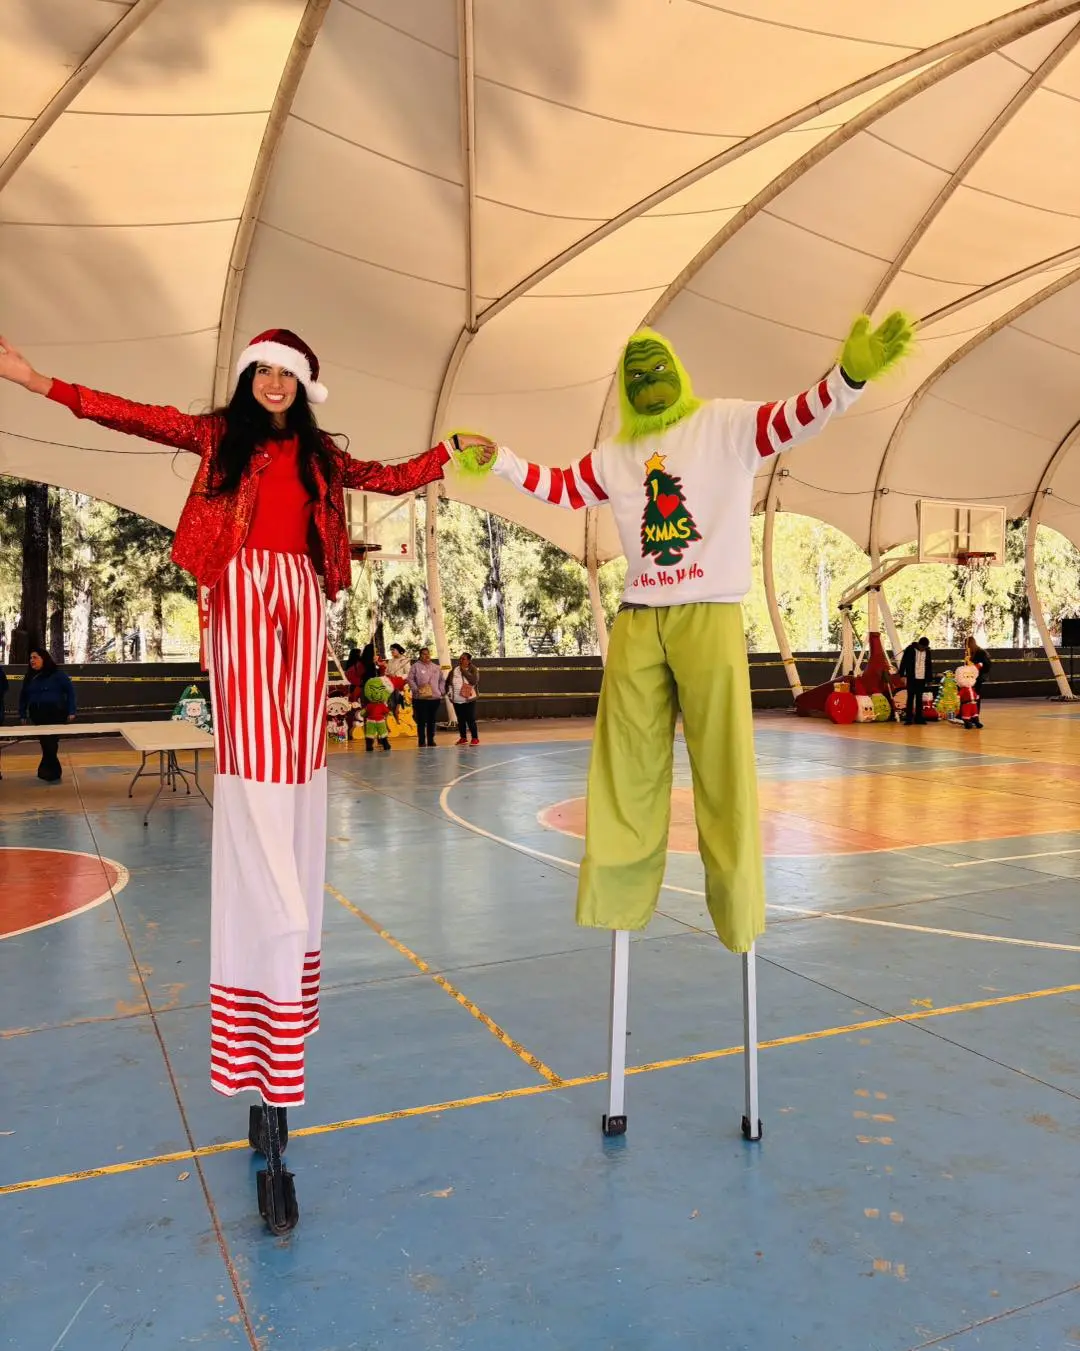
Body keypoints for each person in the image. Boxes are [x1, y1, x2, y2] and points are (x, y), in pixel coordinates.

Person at [0, 329, 454, 1152]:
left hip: (304, 588)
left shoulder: (320, 458)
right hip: (241, 581)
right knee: (253, 746)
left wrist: (449, 452)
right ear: (247, 378)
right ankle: (256, 779)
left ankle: (288, 779)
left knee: (299, 739)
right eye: (264, 372)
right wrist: (37, 380)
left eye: (288, 374)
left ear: (304, 386)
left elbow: (385, 476)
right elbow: (131, 415)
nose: (275, 383)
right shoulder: (217, 436)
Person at [453, 311, 913, 952]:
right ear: (624, 387)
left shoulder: (722, 423)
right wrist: (500, 459)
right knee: (624, 767)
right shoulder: (615, 455)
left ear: (678, 372)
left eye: (658, 369)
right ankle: (618, 898)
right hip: (641, 617)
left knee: (724, 764)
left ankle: (737, 906)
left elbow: (795, 417)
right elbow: (559, 487)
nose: (649, 382)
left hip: (709, 612)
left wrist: (848, 378)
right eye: (636, 375)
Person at [18, 647, 76, 781]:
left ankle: (49, 772)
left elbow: (70, 692)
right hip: (37, 714)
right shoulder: (29, 676)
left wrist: (71, 710)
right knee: (45, 742)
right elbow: (23, 696)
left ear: (44, 658)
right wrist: (22, 714)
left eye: (35, 657)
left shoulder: (57, 674)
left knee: (51, 742)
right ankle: (50, 771)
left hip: (56, 713)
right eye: (31, 658)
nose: (32, 660)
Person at [408, 646, 445, 748]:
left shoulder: (436, 667)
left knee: (431, 720)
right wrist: (416, 689)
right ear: (420, 656)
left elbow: (442, 680)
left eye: (428, 653)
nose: (427, 655)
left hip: (434, 698)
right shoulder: (415, 666)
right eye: (424, 654)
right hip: (420, 699)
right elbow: (410, 679)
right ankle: (421, 741)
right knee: (421, 720)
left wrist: (441, 691)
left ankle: (431, 740)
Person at [899, 636, 934, 725]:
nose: (923, 649)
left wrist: (929, 679)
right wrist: (902, 674)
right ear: (919, 644)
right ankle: (908, 718)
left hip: (922, 678)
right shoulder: (910, 650)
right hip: (911, 677)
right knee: (910, 697)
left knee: (919, 698)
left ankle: (919, 718)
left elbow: (929, 666)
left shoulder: (928, 652)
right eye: (922, 647)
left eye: (925, 648)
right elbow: (904, 662)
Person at [449, 652, 480, 745]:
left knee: (470, 718)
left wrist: (464, 670)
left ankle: (475, 738)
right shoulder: (454, 669)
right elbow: (449, 682)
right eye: (460, 658)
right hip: (457, 699)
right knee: (460, 719)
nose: (461, 660)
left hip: (469, 699)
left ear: (469, 661)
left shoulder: (473, 669)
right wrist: (450, 695)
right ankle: (463, 737)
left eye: (463, 659)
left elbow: (474, 680)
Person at [963, 635, 992, 729]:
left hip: (977, 679)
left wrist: (976, 668)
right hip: (969, 680)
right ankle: (968, 718)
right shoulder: (969, 654)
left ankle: (975, 718)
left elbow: (986, 666)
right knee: (968, 699)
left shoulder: (981, 653)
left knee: (975, 699)